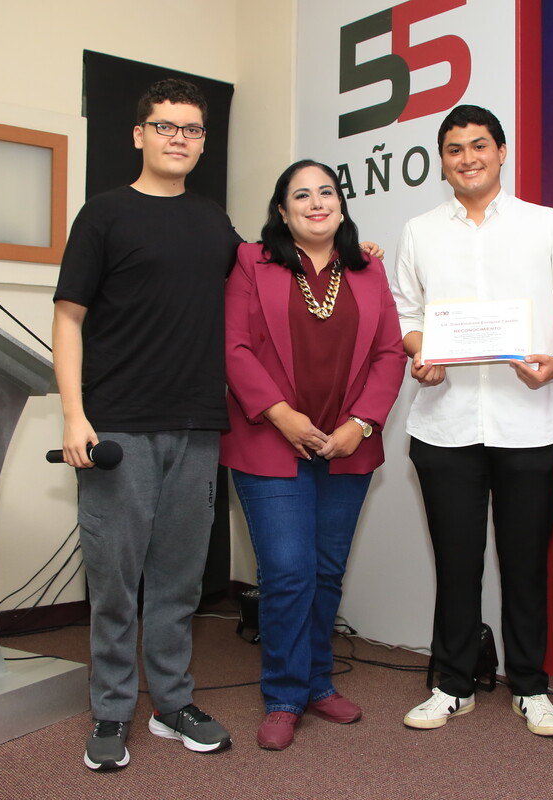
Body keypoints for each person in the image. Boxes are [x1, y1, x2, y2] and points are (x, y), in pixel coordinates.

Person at [391, 105, 553, 735]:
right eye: (454, 149)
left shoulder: (546, 225)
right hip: (445, 422)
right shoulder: (420, 231)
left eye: (479, 145)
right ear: (442, 161)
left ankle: (531, 687)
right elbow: (405, 312)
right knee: (456, 564)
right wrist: (421, 354)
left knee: (525, 563)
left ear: (502, 151)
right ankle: (451, 684)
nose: (468, 158)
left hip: (530, 421)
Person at [52, 78, 237, 772]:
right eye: (165, 126)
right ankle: (110, 709)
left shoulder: (213, 221)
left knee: (178, 582)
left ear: (202, 141)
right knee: (114, 582)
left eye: (191, 129)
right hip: (119, 428)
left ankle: (172, 702)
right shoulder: (103, 215)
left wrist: (350, 250)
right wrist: (74, 414)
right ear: (139, 134)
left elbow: (270, 274)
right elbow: (68, 318)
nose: (178, 138)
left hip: (196, 426)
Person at [221, 160, 406, 750]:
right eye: (301, 195)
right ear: (282, 211)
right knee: (288, 570)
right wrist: (282, 415)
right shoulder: (250, 261)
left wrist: (361, 423)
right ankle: (283, 695)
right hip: (269, 439)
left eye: (326, 192)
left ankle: (318, 682)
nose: (316, 202)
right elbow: (234, 347)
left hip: (347, 445)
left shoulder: (369, 267)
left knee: (326, 570)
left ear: (342, 205)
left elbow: (390, 353)